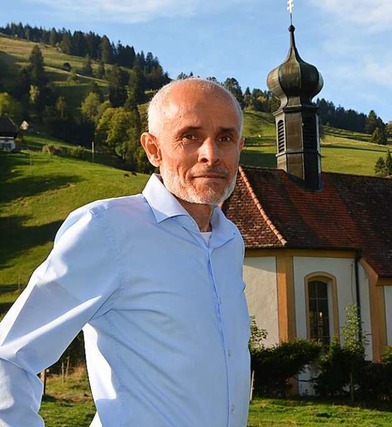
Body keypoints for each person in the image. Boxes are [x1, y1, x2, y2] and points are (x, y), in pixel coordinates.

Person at [0, 78, 251, 426]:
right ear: (153, 149)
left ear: (240, 146)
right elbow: (10, 356)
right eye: (190, 136)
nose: (211, 153)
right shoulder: (105, 229)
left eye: (225, 138)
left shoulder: (230, 240)